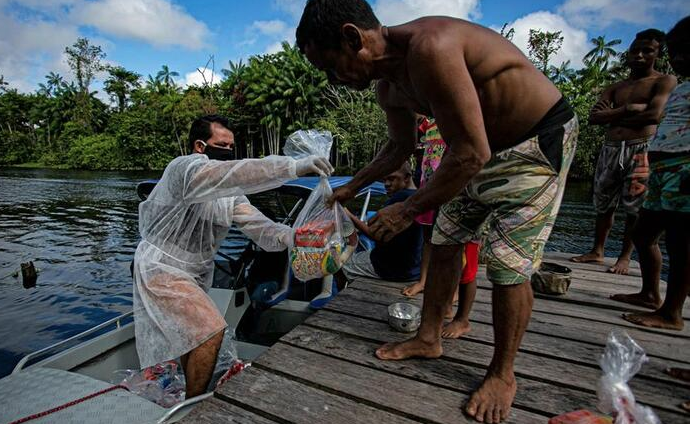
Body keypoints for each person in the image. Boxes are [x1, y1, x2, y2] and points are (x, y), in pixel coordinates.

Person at [297, 1, 577, 422]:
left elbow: (470, 152)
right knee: (444, 239)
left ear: (353, 38)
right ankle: (428, 337)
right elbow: (400, 147)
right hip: (477, 151)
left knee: (507, 263)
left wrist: (406, 210)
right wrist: (351, 187)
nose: (332, 78)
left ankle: (502, 374)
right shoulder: (387, 87)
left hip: (535, 141)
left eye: (330, 65)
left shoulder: (431, 47)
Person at [132, 115, 333, 397]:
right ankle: (193, 406)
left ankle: (189, 390)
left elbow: (260, 227)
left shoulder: (231, 196)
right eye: (221, 145)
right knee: (210, 333)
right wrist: (292, 166)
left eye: (231, 146)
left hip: (196, 271)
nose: (227, 151)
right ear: (200, 146)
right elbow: (233, 173)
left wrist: (294, 237)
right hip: (162, 266)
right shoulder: (184, 169)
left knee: (194, 337)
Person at [571, 29, 677, 275]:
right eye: (635, 50)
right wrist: (628, 109)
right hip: (610, 149)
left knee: (634, 207)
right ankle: (597, 250)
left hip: (640, 148)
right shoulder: (617, 86)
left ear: (657, 55)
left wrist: (614, 116)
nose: (639, 56)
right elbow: (594, 117)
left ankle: (625, 257)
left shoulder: (664, 81)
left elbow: (654, 115)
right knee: (603, 202)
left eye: (647, 51)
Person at [614, 16, 690, 330]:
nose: (679, 58)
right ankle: (649, 294)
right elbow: (665, 129)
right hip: (662, 167)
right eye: (676, 51)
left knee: (681, 241)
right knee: (644, 233)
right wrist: (647, 162)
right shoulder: (682, 89)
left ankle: (671, 313)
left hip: (684, 170)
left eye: (686, 50)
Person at [401, 117, 480, 338]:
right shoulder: (428, 121)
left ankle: (459, 312)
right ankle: (426, 282)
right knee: (432, 238)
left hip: (459, 189)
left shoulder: (459, 113)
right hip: (430, 185)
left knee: (466, 254)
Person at [342, 162, 423, 282]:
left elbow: (375, 235)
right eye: (384, 180)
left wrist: (348, 215)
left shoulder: (400, 198)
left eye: (392, 179)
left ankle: (341, 295)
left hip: (391, 269)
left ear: (407, 177)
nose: (387, 184)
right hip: (414, 269)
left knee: (342, 263)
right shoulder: (420, 198)